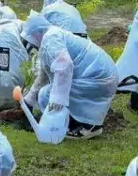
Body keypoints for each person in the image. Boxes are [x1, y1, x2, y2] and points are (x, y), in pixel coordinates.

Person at [21, 12, 119, 140]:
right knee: (45, 93)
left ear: (35, 34)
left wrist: (57, 101)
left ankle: (88, 127)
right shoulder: (51, 37)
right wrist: (28, 101)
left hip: (97, 79)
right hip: (101, 77)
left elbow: (64, 68)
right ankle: (76, 123)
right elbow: (44, 76)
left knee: (48, 95)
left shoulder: (51, 38)